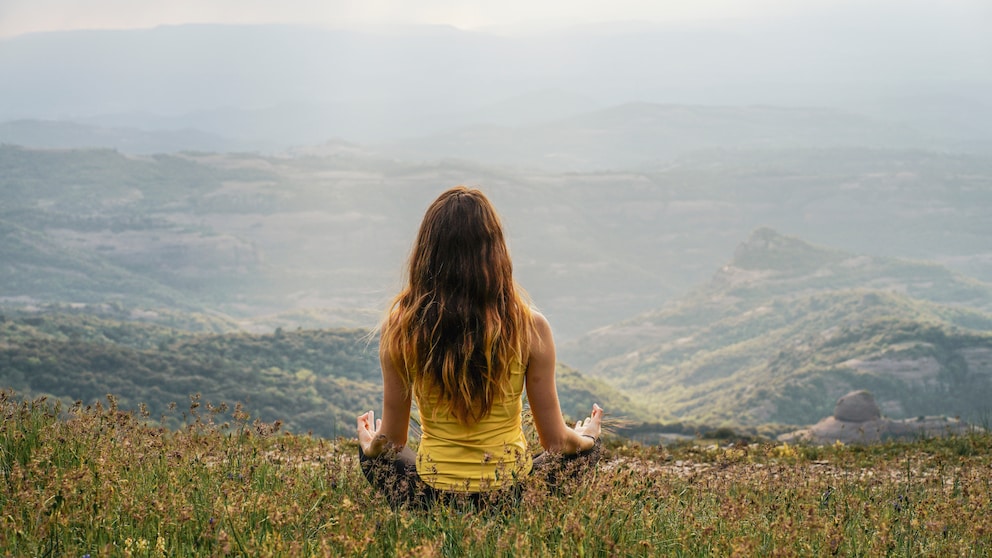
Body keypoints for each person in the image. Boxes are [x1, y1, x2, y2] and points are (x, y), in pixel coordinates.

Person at [356, 186, 603, 508]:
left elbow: (393, 443)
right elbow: (556, 442)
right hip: (511, 498)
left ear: (427, 253)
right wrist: (587, 437)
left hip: (430, 498)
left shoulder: (401, 326)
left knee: (374, 455)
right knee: (586, 450)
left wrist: (370, 446)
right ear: (496, 251)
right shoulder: (530, 326)